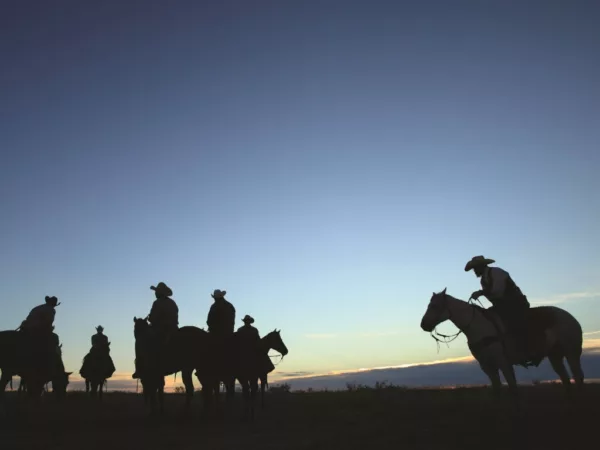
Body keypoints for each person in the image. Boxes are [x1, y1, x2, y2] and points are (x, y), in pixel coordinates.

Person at [465, 255, 536, 365]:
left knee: (513, 324)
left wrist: (481, 292)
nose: (474, 271)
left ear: (482, 266)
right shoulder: (484, 279)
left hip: (515, 304)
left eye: (475, 268)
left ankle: (526, 349)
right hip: (502, 306)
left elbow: (497, 291)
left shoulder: (496, 272)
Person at [132, 282, 179, 379]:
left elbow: (153, 318)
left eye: (157, 291)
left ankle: (140, 367)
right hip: (174, 328)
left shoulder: (157, 303)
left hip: (161, 329)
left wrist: (150, 319)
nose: (155, 293)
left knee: (140, 340)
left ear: (160, 293)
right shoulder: (172, 302)